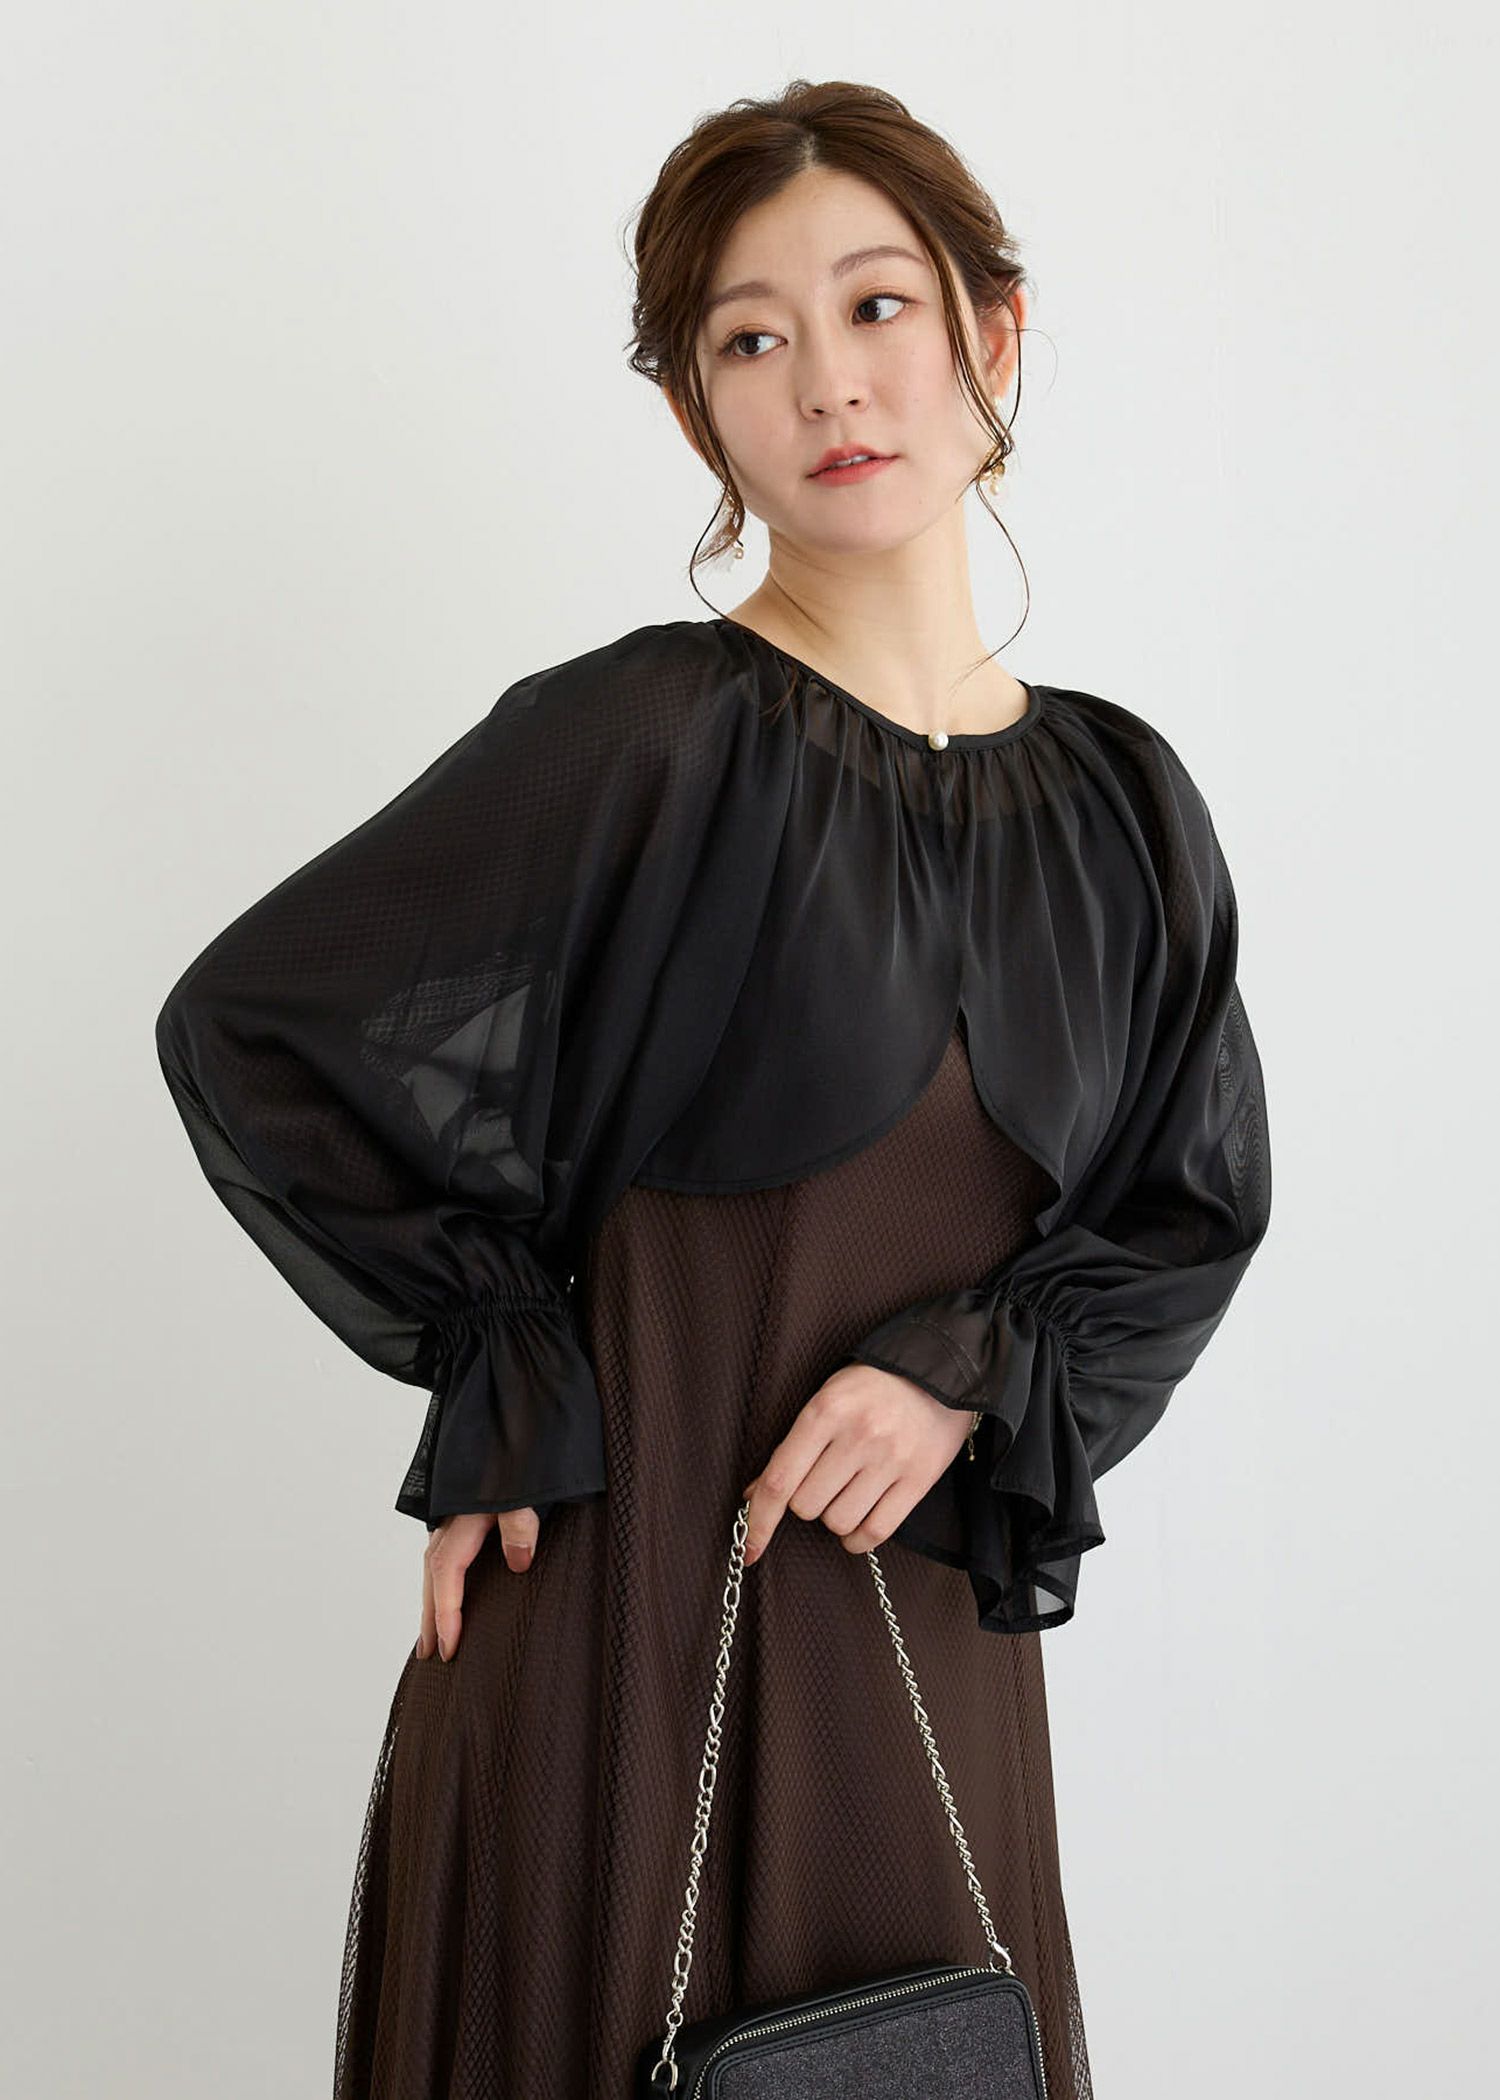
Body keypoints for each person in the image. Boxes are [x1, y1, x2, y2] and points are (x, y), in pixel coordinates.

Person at [154, 79, 1273, 2100]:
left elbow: (1184, 1211)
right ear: (700, 418)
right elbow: (258, 1025)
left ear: (994, 332)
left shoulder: (1124, 809)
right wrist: (498, 1359)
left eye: (877, 307)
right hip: (628, 1640)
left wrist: (965, 1374)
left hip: (923, 1670)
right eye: (751, 340)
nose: (828, 380)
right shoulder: (646, 744)